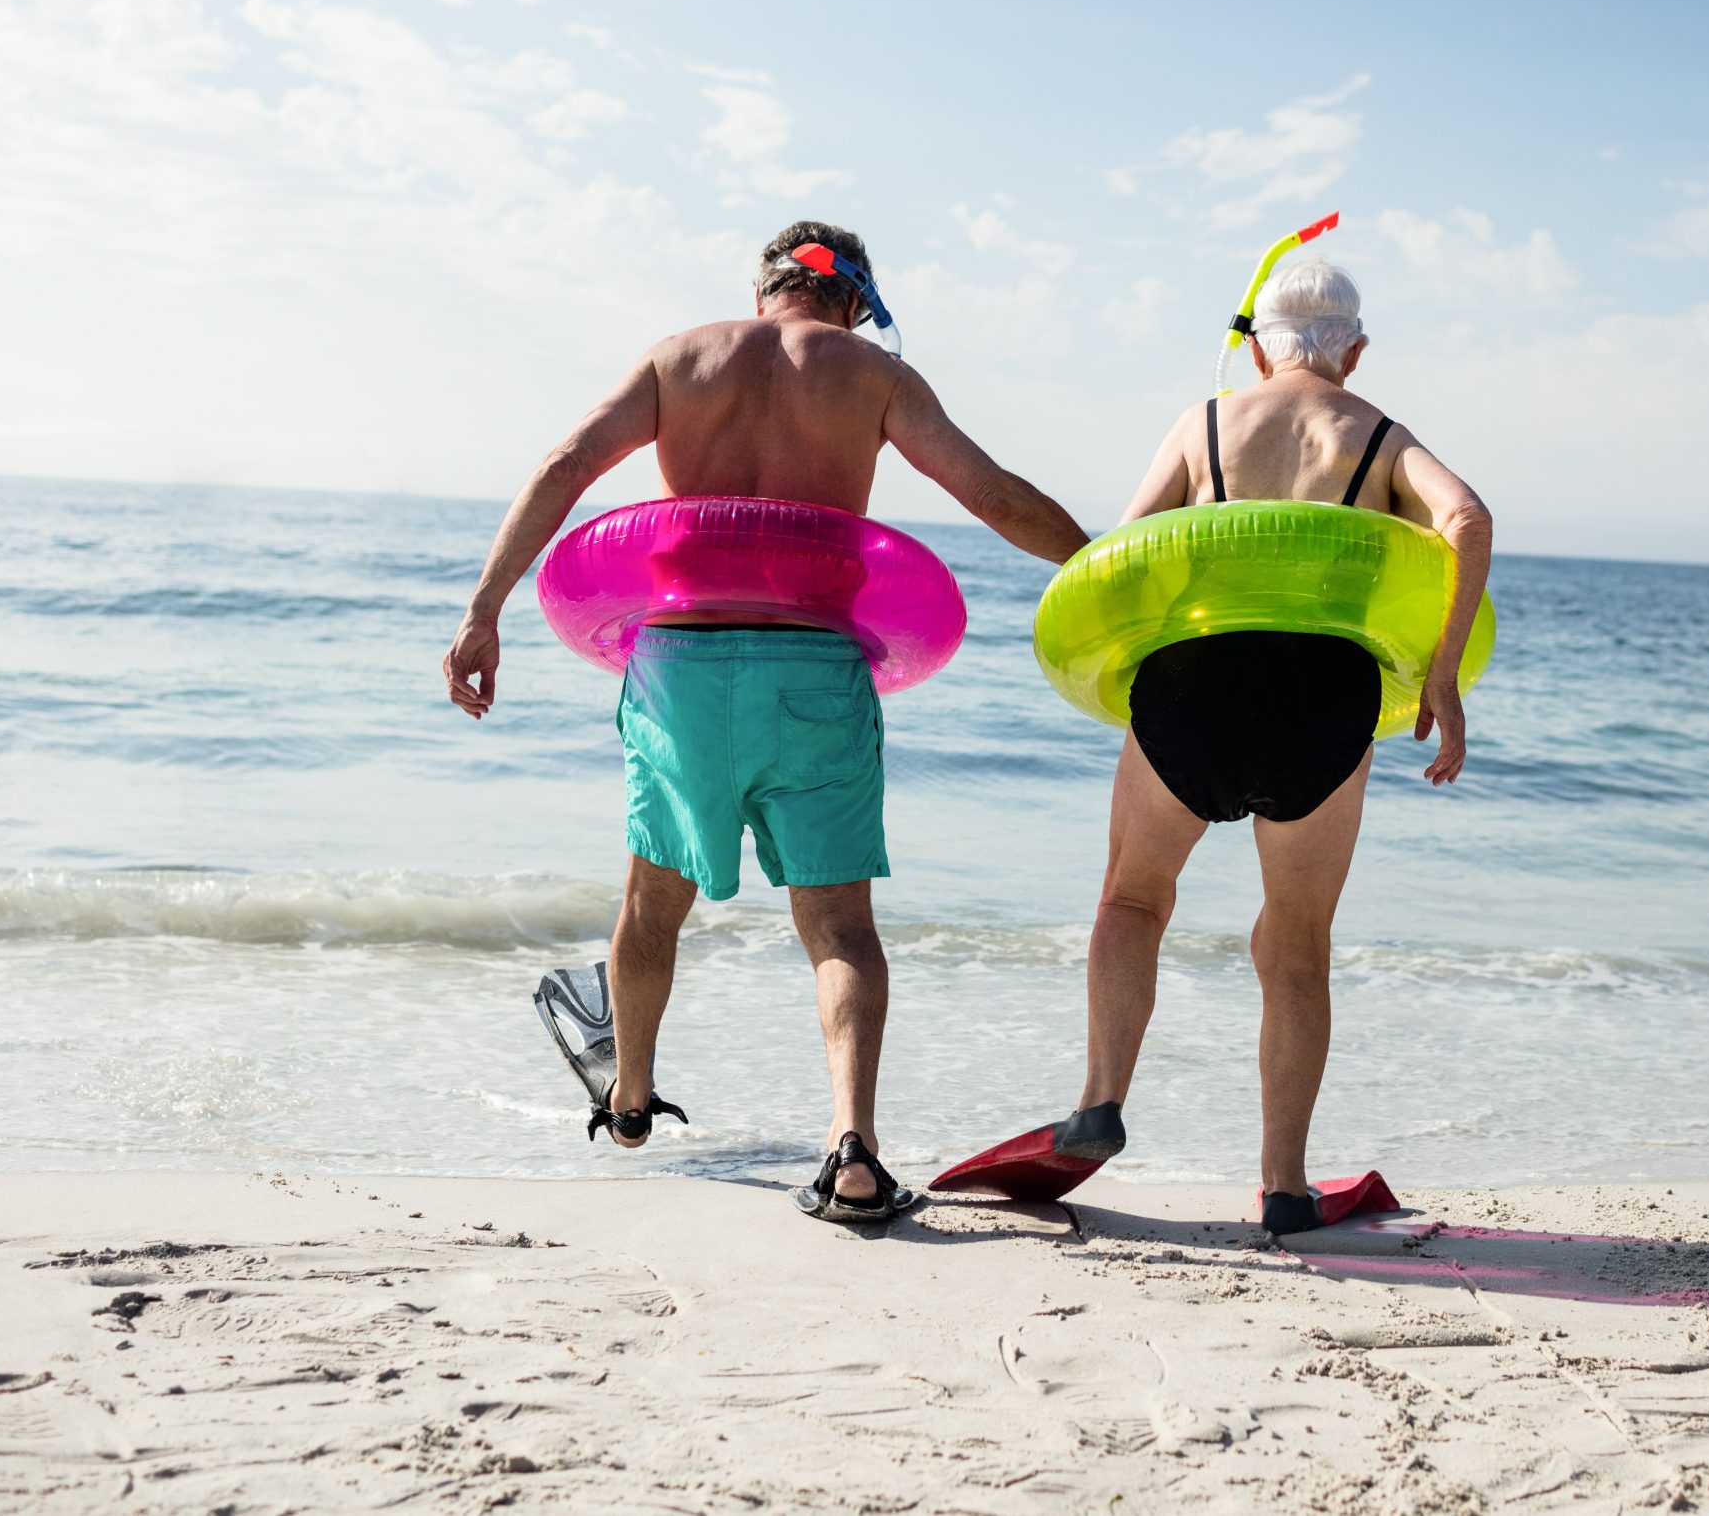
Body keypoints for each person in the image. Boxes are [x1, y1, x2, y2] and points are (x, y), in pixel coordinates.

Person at [444, 221, 1088, 1222]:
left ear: (763, 291)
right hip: (816, 669)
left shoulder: (677, 359)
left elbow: (569, 461)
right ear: (852, 302)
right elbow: (994, 496)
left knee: (652, 902)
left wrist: (483, 609)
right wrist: (1106, 572)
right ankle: (854, 1155)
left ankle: (627, 1103)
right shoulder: (871, 377)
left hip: (681, 674)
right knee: (838, 926)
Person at [1054, 257, 1492, 1234]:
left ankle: (1100, 1102)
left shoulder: (1204, 420)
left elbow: (1120, 558)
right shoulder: (1378, 435)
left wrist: (1119, 676)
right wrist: (1442, 679)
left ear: (1256, 347)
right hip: (1322, 699)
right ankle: (1284, 1188)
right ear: (1355, 353)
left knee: (1132, 900)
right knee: (1295, 949)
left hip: (1195, 683)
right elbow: (1466, 517)